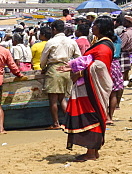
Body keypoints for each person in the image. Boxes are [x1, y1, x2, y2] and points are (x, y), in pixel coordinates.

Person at [62, 17, 116, 161]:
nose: (93, 28)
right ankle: (92, 151)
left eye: (96, 25)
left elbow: (99, 67)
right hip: (87, 85)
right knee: (89, 115)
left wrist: (79, 73)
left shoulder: (104, 46)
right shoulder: (99, 42)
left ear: (102, 27)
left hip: (93, 87)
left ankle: (91, 152)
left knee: (92, 116)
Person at [39, 20, 82, 128]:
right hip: (66, 69)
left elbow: (43, 59)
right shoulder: (71, 41)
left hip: (54, 69)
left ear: (54, 29)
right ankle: (69, 121)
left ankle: (56, 123)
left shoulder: (51, 42)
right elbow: (78, 57)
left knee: (53, 99)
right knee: (62, 98)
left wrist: (43, 67)